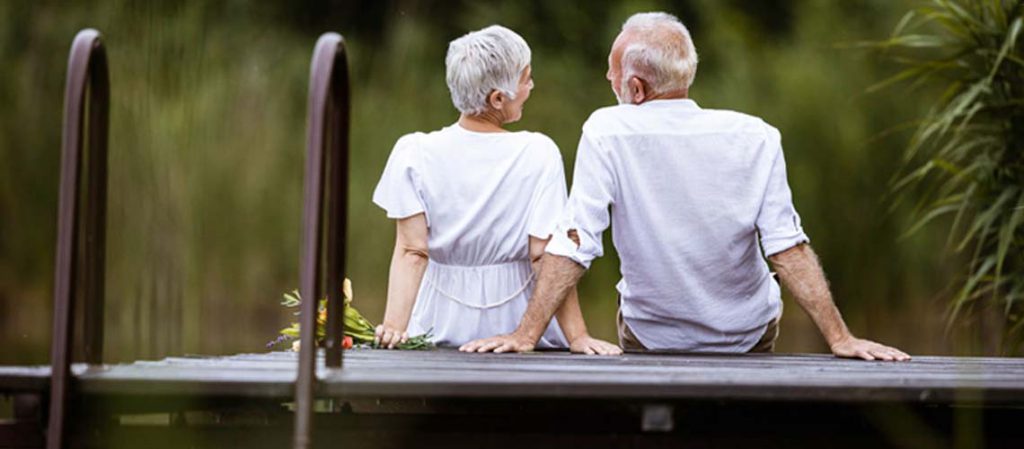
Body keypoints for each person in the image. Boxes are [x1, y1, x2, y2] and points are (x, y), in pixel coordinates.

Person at [460, 12, 910, 361]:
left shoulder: (607, 130)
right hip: (748, 334)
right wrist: (840, 337)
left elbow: (575, 241)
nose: (607, 80)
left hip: (650, 335)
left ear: (635, 88)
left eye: (613, 72)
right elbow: (786, 247)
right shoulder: (757, 135)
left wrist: (525, 335)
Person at [372, 25, 620, 355]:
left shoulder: (413, 152)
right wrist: (578, 337)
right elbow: (543, 253)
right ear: (497, 98)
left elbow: (411, 251)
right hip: (516, 319)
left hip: (437, 323)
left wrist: (395, 330)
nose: (531, 85)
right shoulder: (537, 152)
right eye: (525, 78)